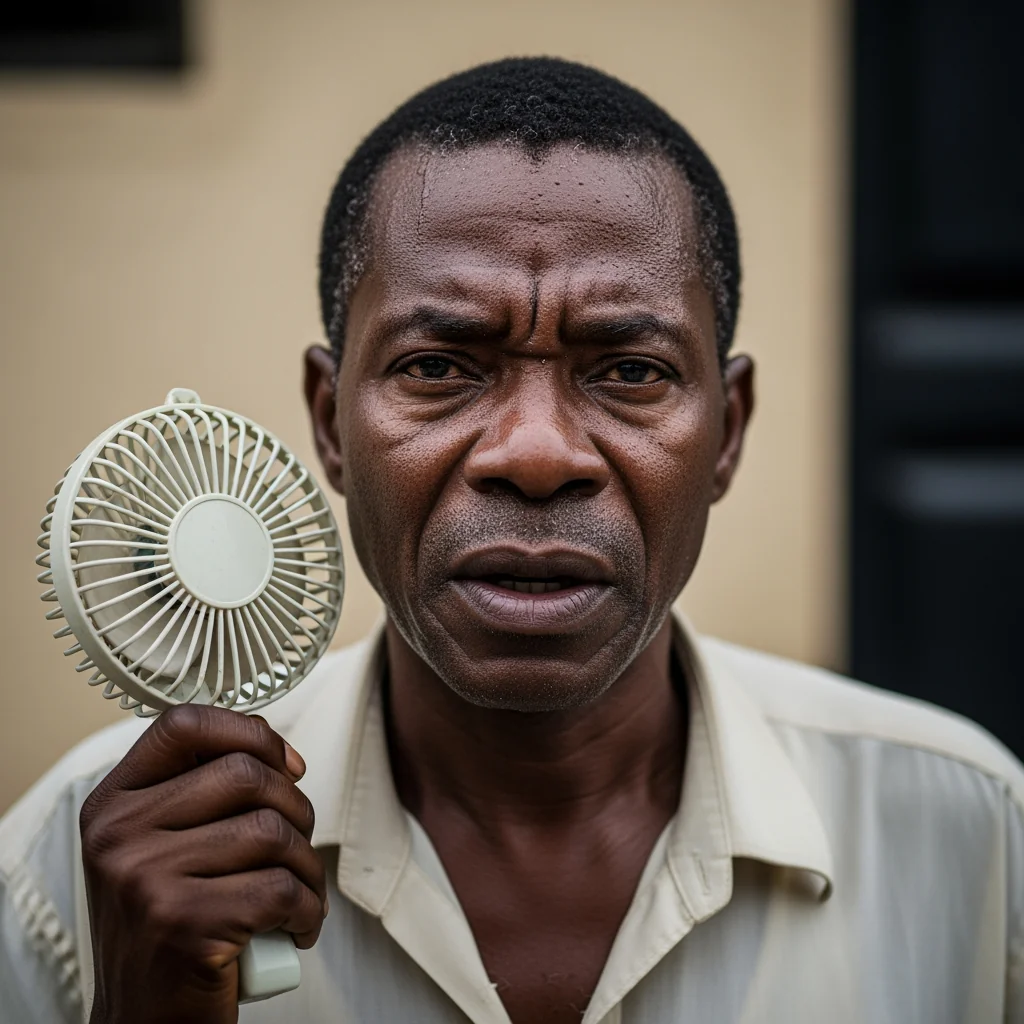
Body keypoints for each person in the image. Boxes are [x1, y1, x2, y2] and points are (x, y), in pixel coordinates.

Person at [1, 57, 1021, 1024]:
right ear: (328, 421)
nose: (535, 454)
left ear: (729, 429)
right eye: (440, 366)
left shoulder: (969, 837)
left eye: (628, 370)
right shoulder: (79, 867)